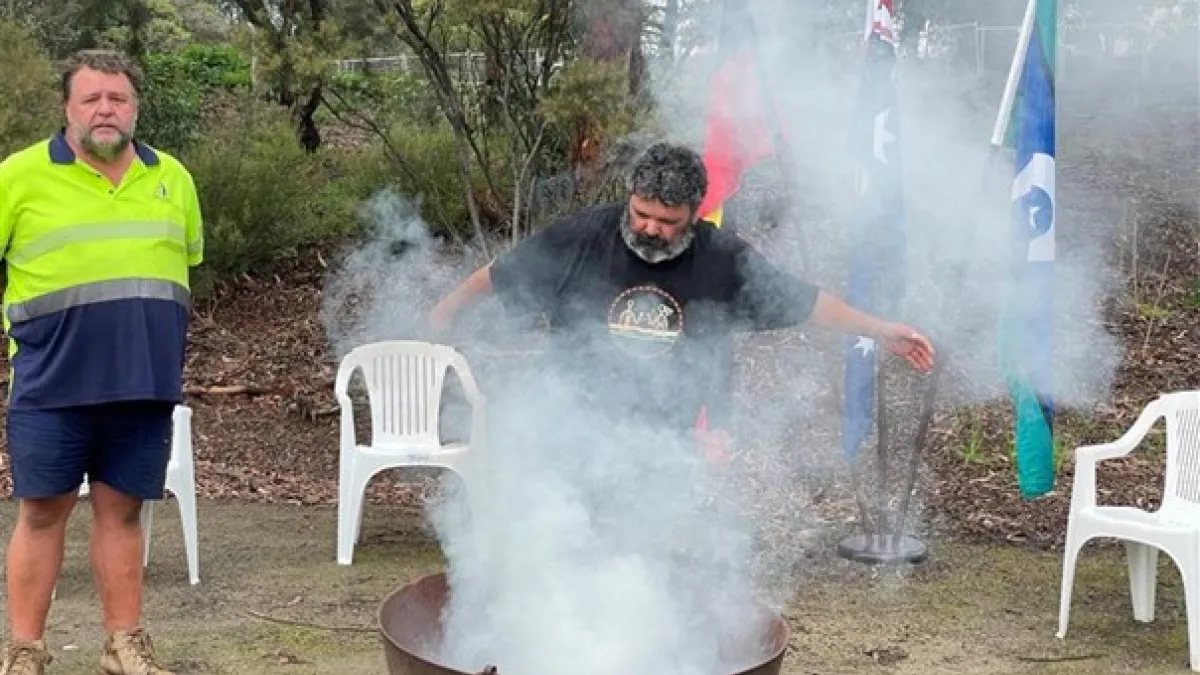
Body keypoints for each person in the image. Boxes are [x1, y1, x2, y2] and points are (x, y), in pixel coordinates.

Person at [428, 141, 933, 459]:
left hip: (668, 439)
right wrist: (440, 318)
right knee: (569, 545)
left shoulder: (722, 258)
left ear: (695, 212)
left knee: (645, 562)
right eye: (642, 213)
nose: (650, 228)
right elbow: (496, 276)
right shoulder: (582, 237)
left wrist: (881, 328)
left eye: (667, 221)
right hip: (575, 424)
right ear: (631, 196)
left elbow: (805, 301)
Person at [0, 49, 203, 675]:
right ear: (67, 108)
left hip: (142, 383)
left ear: (135, 107)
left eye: (117, 98)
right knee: (41, 513)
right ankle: (26, 651)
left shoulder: (174, 178)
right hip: (51, 383)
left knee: (123, 512)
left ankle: (123, 646)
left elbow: (184, 265)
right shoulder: (19, 176)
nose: (105, 109)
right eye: (91, 99)